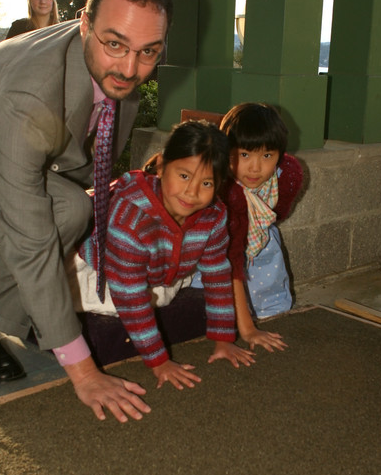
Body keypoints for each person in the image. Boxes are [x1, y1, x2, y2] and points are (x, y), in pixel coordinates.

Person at [0, 0, 172, 424]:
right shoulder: (26, 97)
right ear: (84, 22)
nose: (131, 68)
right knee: (61, 214)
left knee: (74, 209)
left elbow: (90, 162)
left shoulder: (118, 71)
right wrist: (85, 371)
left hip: (14, 142)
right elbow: (31, 241)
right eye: (115, 43)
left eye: (148, 51)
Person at [68, 120, 256, 390]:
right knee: (110, 300)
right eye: (184, 176)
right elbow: (131, 298)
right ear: (161, 166)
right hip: (96, 268)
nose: (192, 192)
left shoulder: (214, 216)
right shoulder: (130, 218)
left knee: (162, 295)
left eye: (206, 183)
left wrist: (224, 339)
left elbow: (217, 275)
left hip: (157, 271)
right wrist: (159, 362)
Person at [219, 102, 303, 352]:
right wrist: (248, 331)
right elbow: (231, 262)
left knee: (272, 303)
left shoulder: (286, 175)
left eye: (267, 156)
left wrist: (259, 223)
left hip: (263, 249)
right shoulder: (224, 190)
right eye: (244, 155)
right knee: (220, 307)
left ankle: (269, 319)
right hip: (222, 254)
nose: (255, 168)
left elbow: (279, 211)